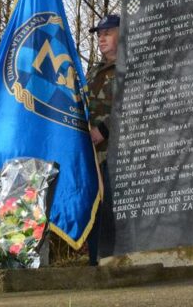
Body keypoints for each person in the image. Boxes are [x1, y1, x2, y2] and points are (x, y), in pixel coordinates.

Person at [85, 13, 119, 266]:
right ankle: (95, 263)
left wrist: (104, 130)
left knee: (113, 211)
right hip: (93, 156)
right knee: (94, 211)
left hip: (118, 153)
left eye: (107, 33)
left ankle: (112, 262)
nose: (101, 39)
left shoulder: (131, 65)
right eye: (99, 35)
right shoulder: (93, 71)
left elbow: (134, 103)